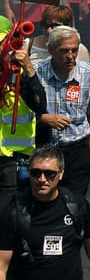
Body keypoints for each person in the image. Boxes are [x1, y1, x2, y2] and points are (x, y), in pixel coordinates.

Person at [0, 145, 90, 280]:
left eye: (49, 174)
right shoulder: (13, 212)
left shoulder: (77, 205)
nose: (42, 179)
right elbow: (1, 266)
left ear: (61, 174)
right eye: (36, 173)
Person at [33, 26, 90, 198]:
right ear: (51, 50)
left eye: (74, 50)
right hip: (45, 148)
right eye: (64, 51)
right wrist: (44, 119)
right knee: (46, 198)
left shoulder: (87, 72)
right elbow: (23, 113)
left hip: (77, 149)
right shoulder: (37, 73)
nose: (70, 56)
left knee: (76, 200)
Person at [0, 36, 44, 210]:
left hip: (13, 162)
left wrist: (28, 67)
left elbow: (40, 104)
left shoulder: (18, 77)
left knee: (8, 218)